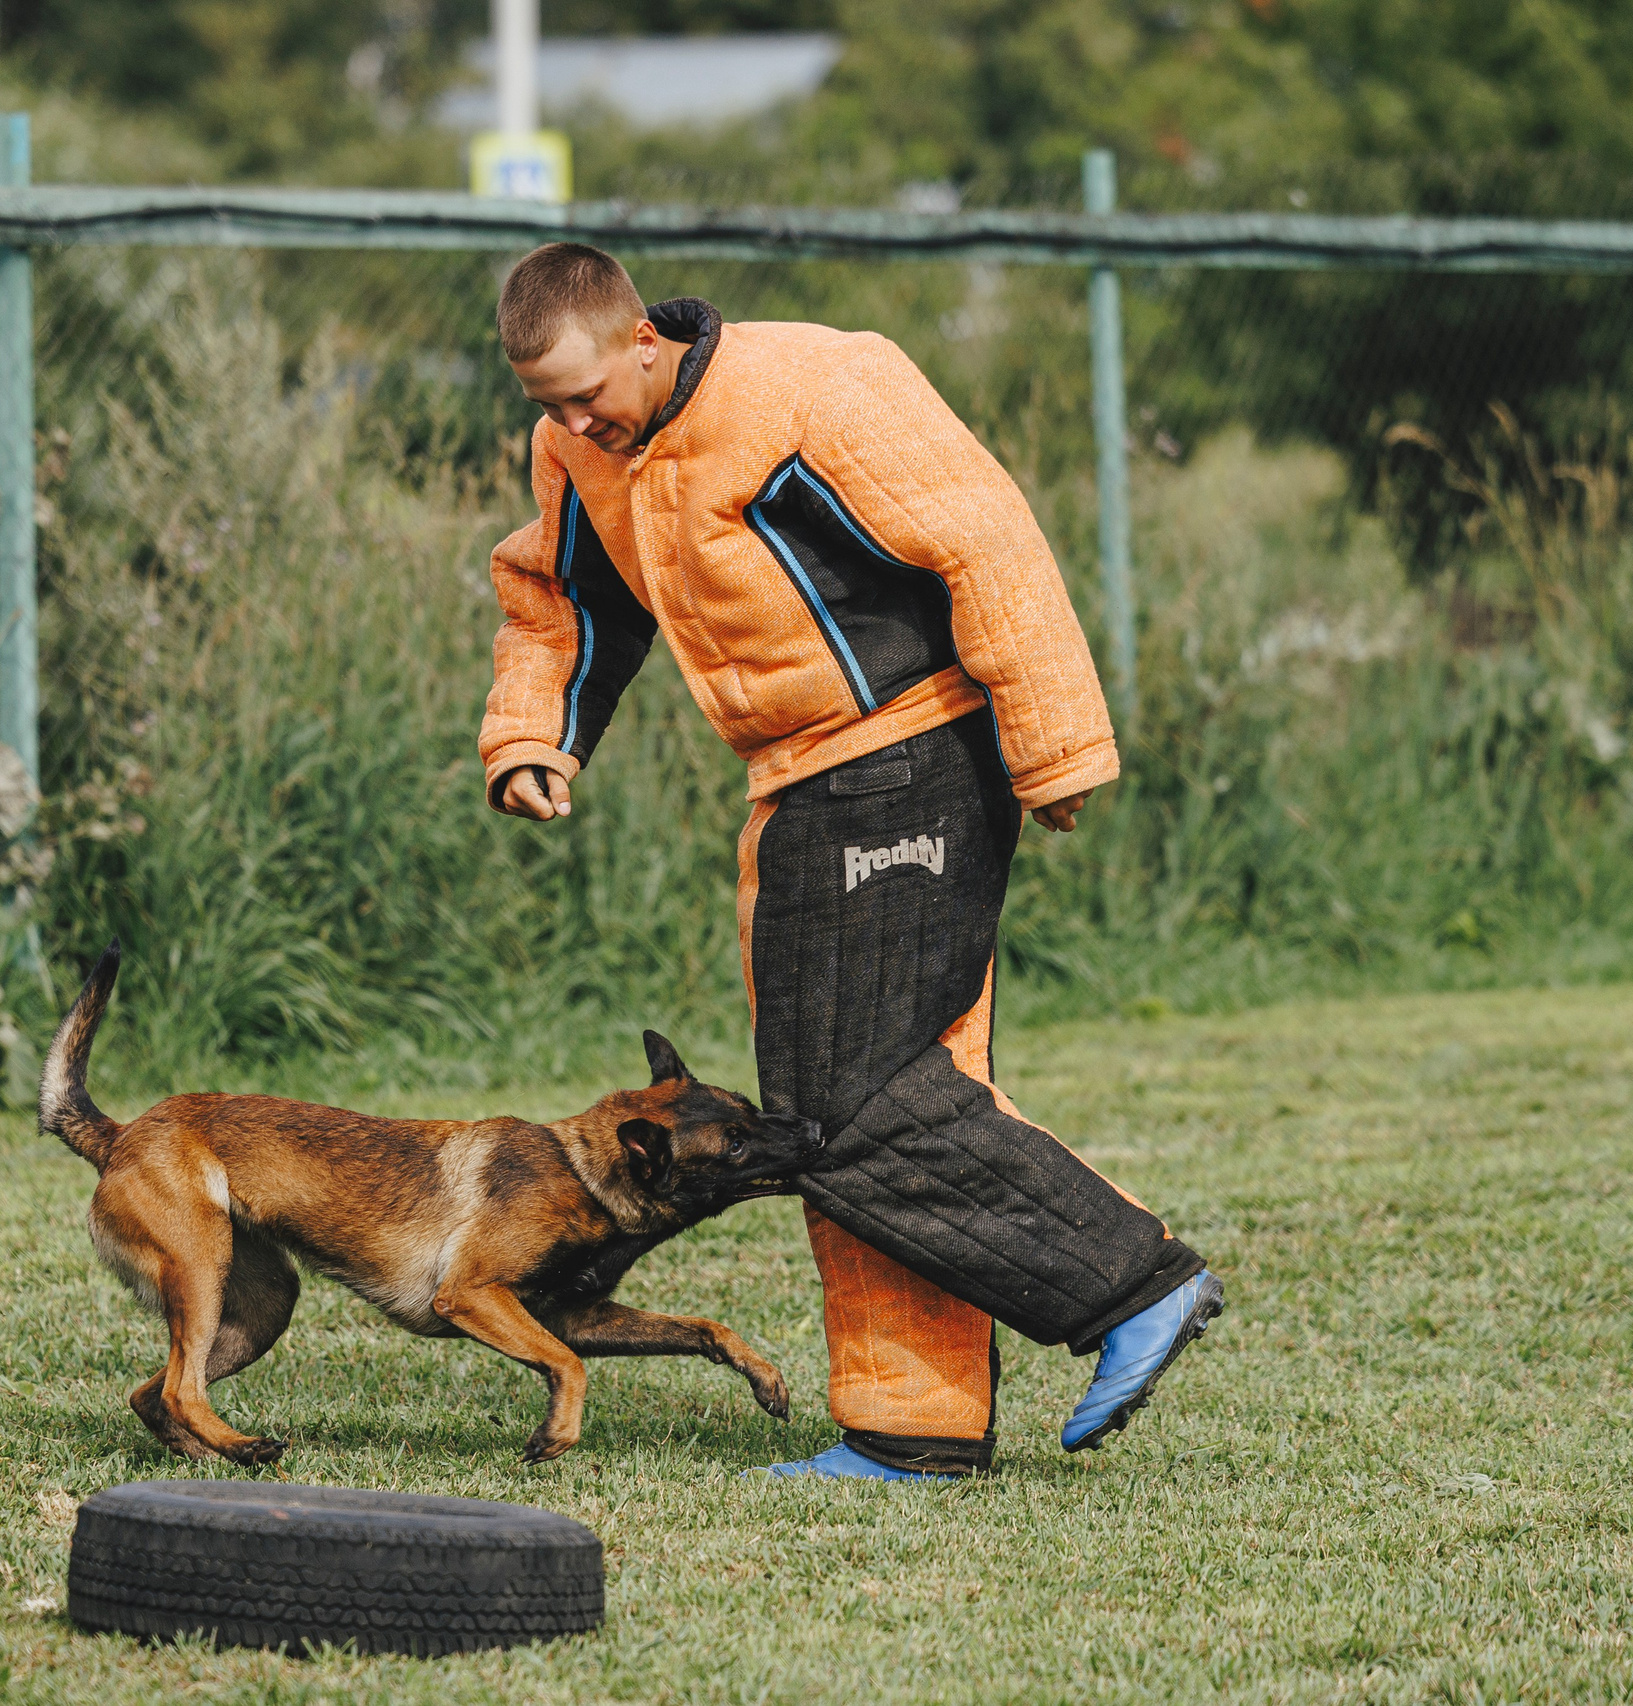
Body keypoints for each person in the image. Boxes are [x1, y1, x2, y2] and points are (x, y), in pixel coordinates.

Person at [478, 242, 1221, 1481]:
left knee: (833, 1109)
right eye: (543, 406)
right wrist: (531, 736)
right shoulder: (582, 452)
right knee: (843, 1102)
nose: (567, 424)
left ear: (642, 344)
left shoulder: (813, 386)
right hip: (795, 787)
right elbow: (561, 598)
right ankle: (908, 1422)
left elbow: (987, 538)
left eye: (582, 394)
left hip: (913, 751)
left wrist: (1055, 751)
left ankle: (1132, 1284)